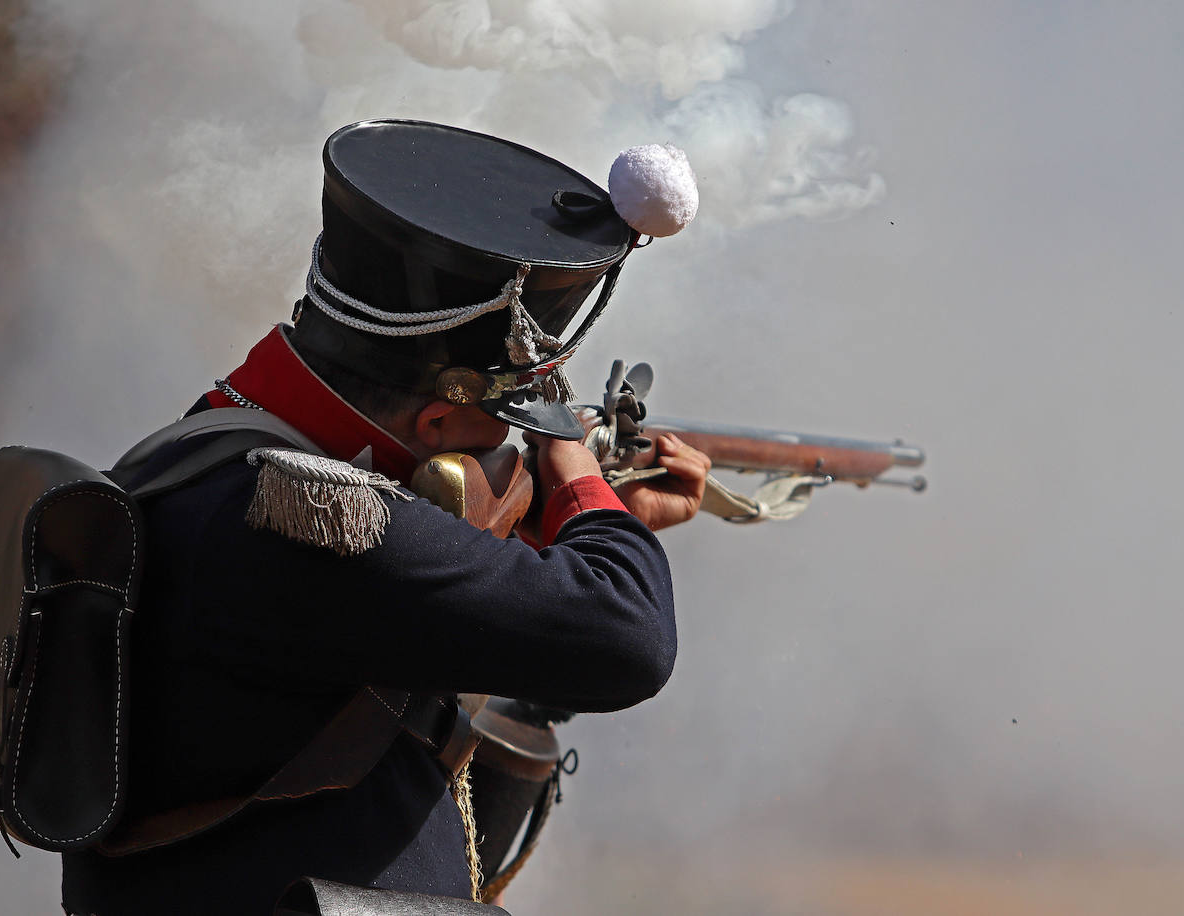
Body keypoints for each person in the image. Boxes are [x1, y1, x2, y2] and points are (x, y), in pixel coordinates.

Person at [60, 119, 708, 916]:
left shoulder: (202, 452)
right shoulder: (317, 520)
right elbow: (627, 638)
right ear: (436, 425)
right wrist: (577, 473)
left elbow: (408, 614)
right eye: (506, 423)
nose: (512, 443)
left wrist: (560, 529)